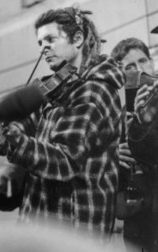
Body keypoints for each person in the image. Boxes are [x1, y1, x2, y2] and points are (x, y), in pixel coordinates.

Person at [0, 6, 124, 242]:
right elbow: (24, 125)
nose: (43, 49)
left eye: (50, 39)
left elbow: (64, 160)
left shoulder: (94, 91)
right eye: (40, 43)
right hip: (41, 227)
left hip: (74, 231)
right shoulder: (58, 88)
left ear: (78, 38)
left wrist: (8, 142)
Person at [111, 34, 158, 251]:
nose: (139, 70)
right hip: (138, 218)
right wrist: (112, 155)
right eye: (129, 66)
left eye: (143, 61)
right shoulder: (114, 112)